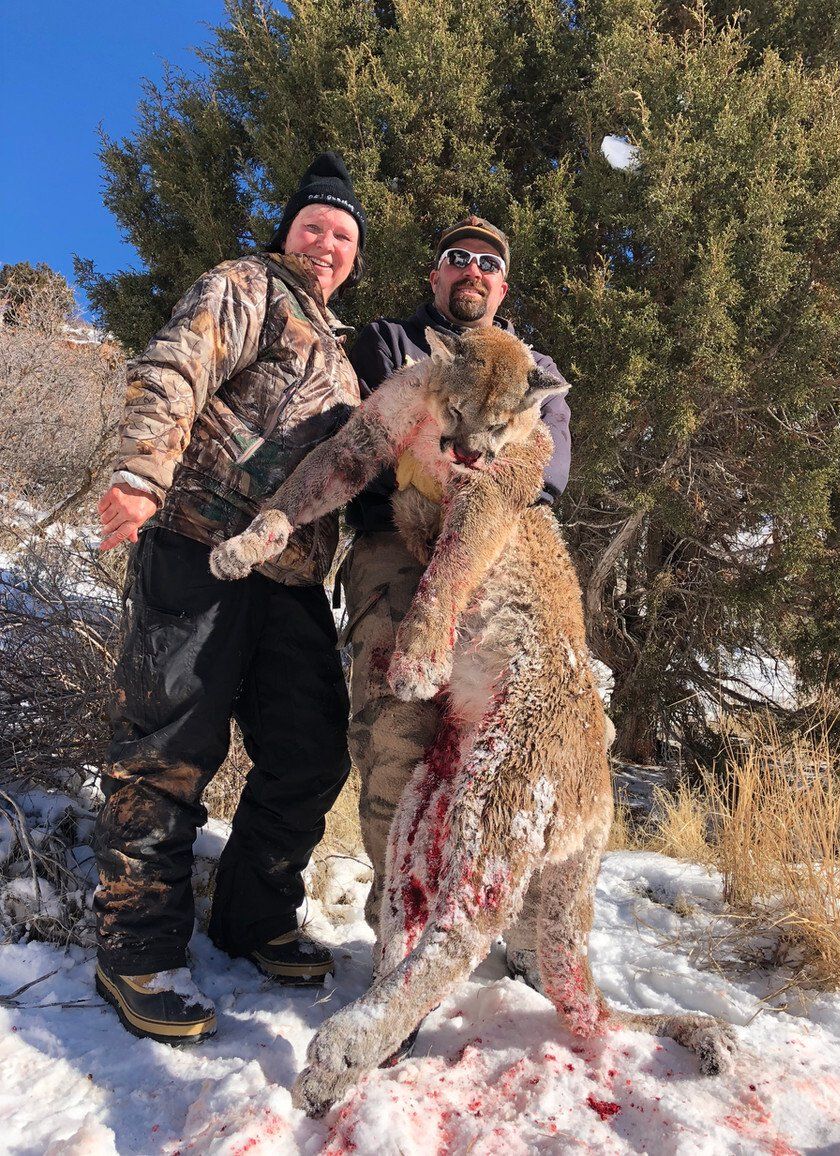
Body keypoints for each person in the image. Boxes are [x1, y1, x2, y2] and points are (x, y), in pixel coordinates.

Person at [92, 152, 366, 1043]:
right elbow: (178, 365)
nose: (328, 245)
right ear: (289, 232)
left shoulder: (348, 360)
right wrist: (140, 471)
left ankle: (253, 919)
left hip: (290, 583)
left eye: (345, 237)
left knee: (311, 752)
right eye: (316, 227)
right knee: (168, 748)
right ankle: (133, 951)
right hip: (197, 548)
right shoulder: (247, 285)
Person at [344, 215, 572, 984]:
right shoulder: (389, 343)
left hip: (502, 561)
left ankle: (531, 932)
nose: (471, 270)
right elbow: (364, 445)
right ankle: (399, 944)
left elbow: (544, 475)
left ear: (503, 287)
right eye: (455, 258)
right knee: (399, 731)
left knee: (533, 742)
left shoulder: (535, 368)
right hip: (395, 547)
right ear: (434, 275)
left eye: (487, 263)